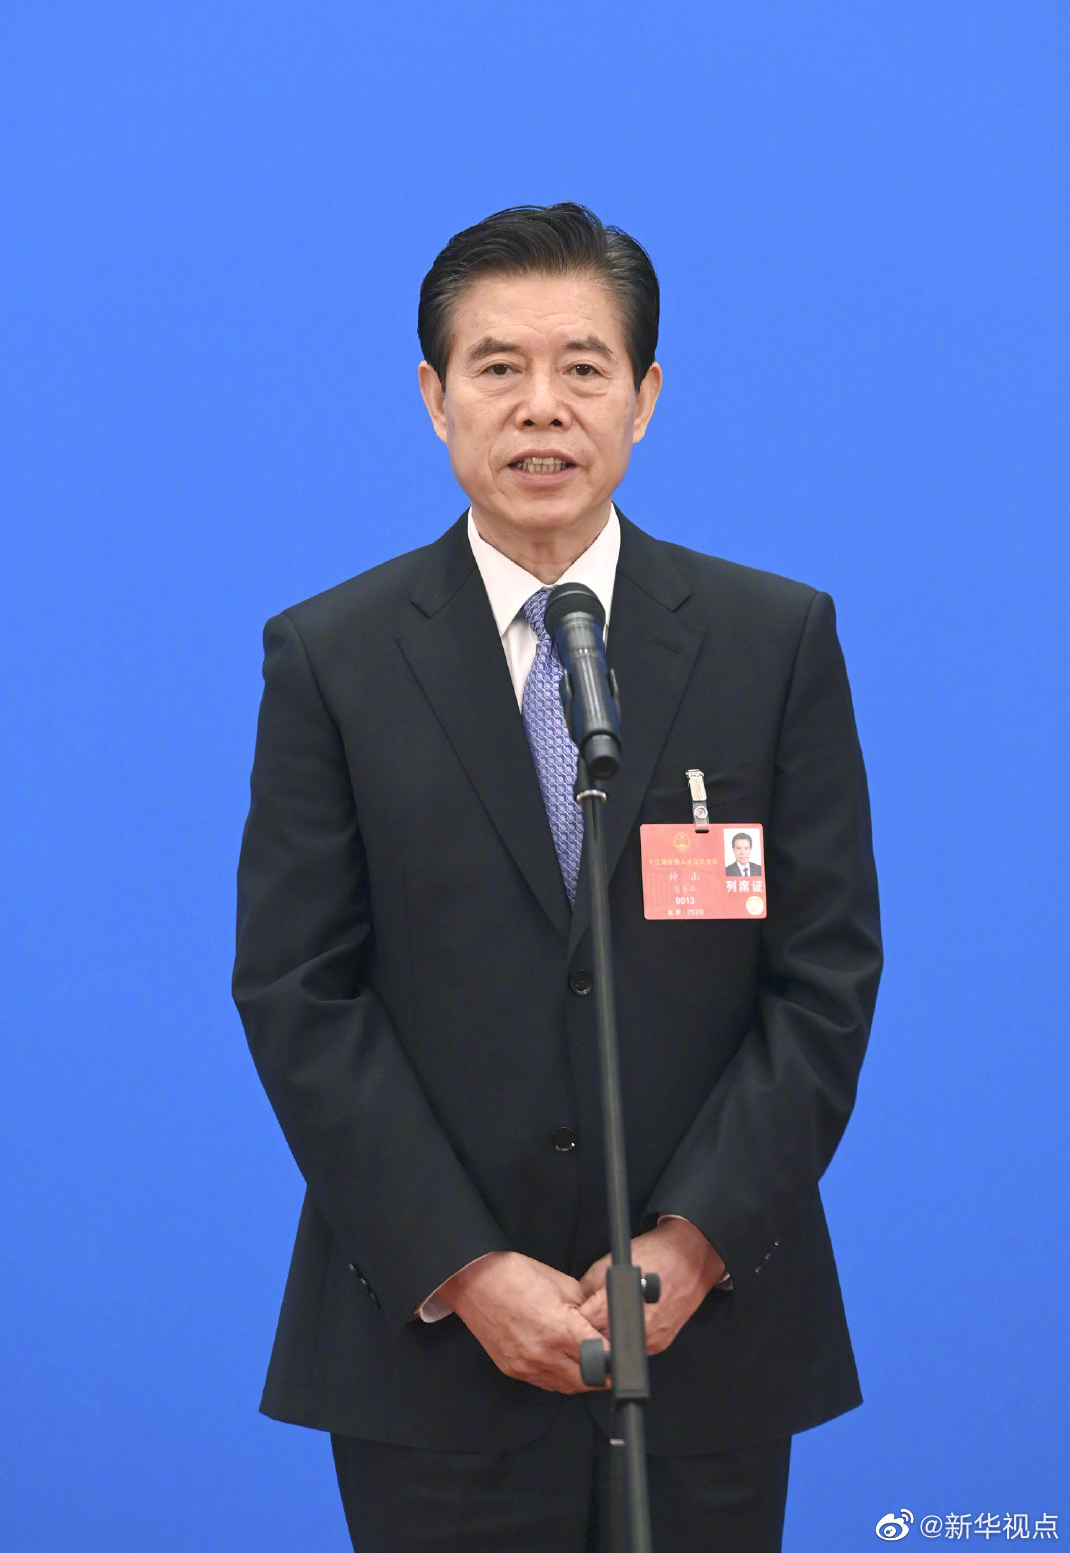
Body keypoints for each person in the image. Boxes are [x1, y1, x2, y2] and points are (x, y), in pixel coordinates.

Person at [232, 202, 882, 1552]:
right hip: (434, 1356)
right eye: (498, 367)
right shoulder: (333, 659)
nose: (542, 407)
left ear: (645, 396)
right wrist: (468, 1271)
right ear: (434, 397)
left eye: (584, 367)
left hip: (711, 1341)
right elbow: (299, 992)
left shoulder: (771, 641)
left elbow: (825, 978)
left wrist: (692, 1242)